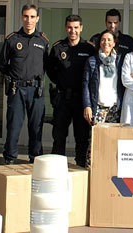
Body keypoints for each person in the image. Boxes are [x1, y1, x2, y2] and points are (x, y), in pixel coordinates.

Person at [0, 4, 49, 164]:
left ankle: (35, 160)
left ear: (37, 19)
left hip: (36, 90)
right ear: (21, 17)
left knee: (36, 128)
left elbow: (46, 64)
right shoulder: (12, 39)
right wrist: (13, 76)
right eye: (26, 16)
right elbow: (1, 63)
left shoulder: (43, 40)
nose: (29, 20)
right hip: (17, 89)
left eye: (32, 17)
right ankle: (10, 159)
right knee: (13, 128)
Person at [47, 14, 95, 167]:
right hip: (62, 98)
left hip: (81, 99)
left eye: (75, 27)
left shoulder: (88, 48)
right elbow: (50, 70)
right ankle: (57, 168)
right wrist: (61, 82)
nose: (72, 31)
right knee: (59, 135)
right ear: (65, 28)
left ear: (81, 28)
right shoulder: (58, 47)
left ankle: (80, 166)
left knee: (81, 136)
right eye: (69, 27)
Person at [82, 30, 126, 167]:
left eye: (109, 40)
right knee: (95, 142)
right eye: (103, 40)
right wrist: (87, 105)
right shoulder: (92, 61)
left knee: (113, 143)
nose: (106, 42)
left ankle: (108, 171)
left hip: (115, 108)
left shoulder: (120, 61)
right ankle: (92, 171)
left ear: (114, 43)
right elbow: (86, 84)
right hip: (98, 108)